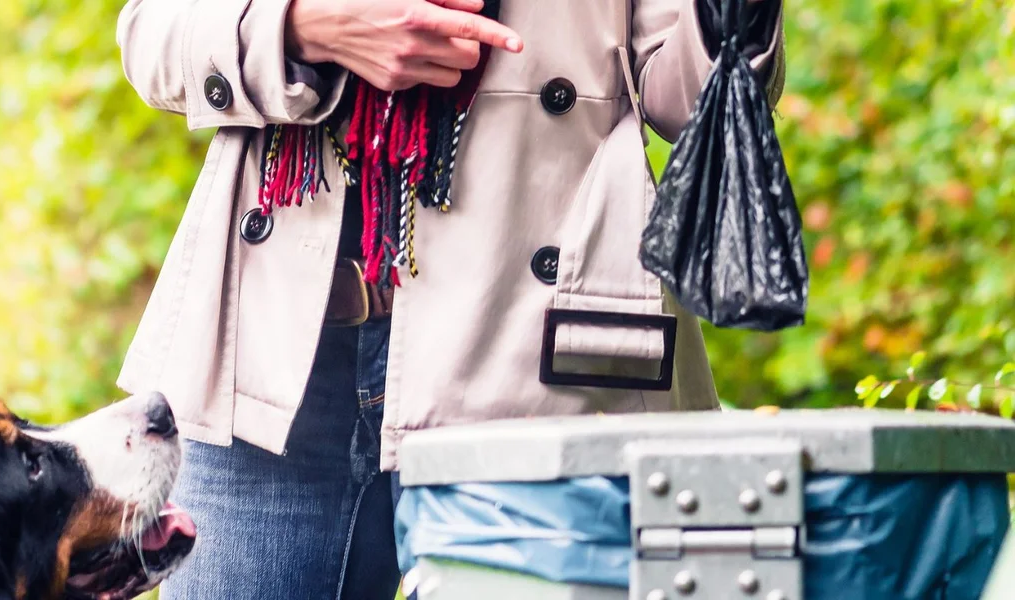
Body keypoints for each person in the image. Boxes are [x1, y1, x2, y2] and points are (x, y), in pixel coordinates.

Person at [114, 0, 784, 597]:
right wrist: (303, 25)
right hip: (270, 364)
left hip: (531, 361)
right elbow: (153, 34)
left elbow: (698, 99)